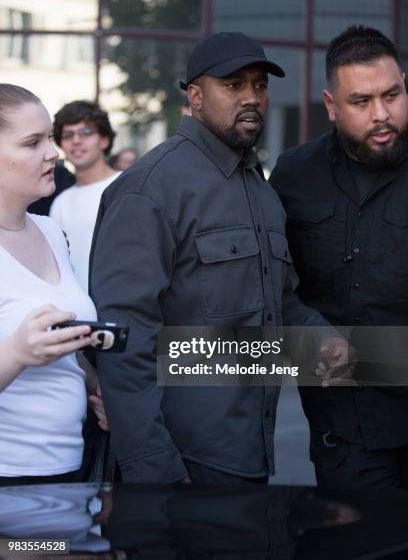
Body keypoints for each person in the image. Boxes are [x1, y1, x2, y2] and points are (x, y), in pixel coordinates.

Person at [89, 32, 346, 484]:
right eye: (233, 85)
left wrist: (321, 337)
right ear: (195, 96)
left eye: (260, 86)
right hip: (183, 465)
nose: (251, 98)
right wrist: (154, 468)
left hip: (250, 454)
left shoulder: (262, 192)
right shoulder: (150, 189)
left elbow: (277, 303)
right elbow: (124, 345)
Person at [270, 25, 408, 489]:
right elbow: (275, 283)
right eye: (361, 101)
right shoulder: (293, 175)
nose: (382, 114)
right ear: (332, 106)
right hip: (345, 429)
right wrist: (312, 335)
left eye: (392, 94)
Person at [0, 84, 107, 484]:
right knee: (38, 551)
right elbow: (24, 345)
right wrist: (16, 351)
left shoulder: (50, 230)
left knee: (65, 549)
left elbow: (63, 349)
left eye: (48, 137)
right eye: (32, 142)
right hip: (11, 484)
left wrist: (98, 388)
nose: (53, 152)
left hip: (70, 471)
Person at [50, 101, 120, 291]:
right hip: (78, 314)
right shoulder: (60, 203)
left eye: (86, 133)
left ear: (104, 140)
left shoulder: (125, 187)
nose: (76, 141)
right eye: (67, 135)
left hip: (122, 307)